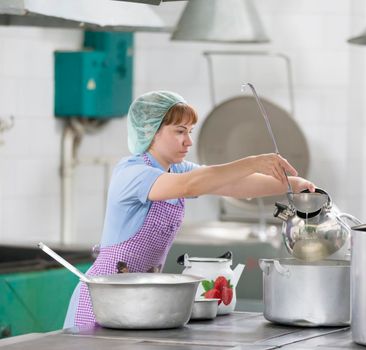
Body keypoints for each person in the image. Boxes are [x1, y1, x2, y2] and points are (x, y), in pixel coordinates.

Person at [63, 90, 315, 327]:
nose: (189, 141)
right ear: (152, 131)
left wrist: (293, 185)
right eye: (180, 131)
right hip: (102, 301)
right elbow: (189, 186)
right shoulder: (132, 173)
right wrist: (252, 162)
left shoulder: (176, 169)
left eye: (190, 131)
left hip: (138, 301)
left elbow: (236, 185)